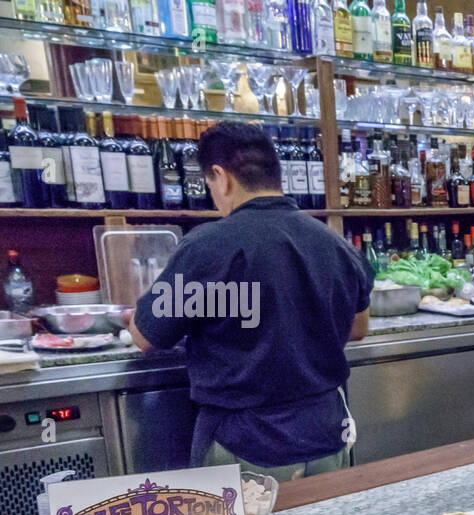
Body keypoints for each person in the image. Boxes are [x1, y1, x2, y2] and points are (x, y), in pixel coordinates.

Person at [128, 122, 373, 480]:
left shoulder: (207, 247)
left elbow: (144, 337)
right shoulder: (333, 242)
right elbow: (359, 327)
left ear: (220, 176)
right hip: (326, 439)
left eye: (210, 185)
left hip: (245, 447)